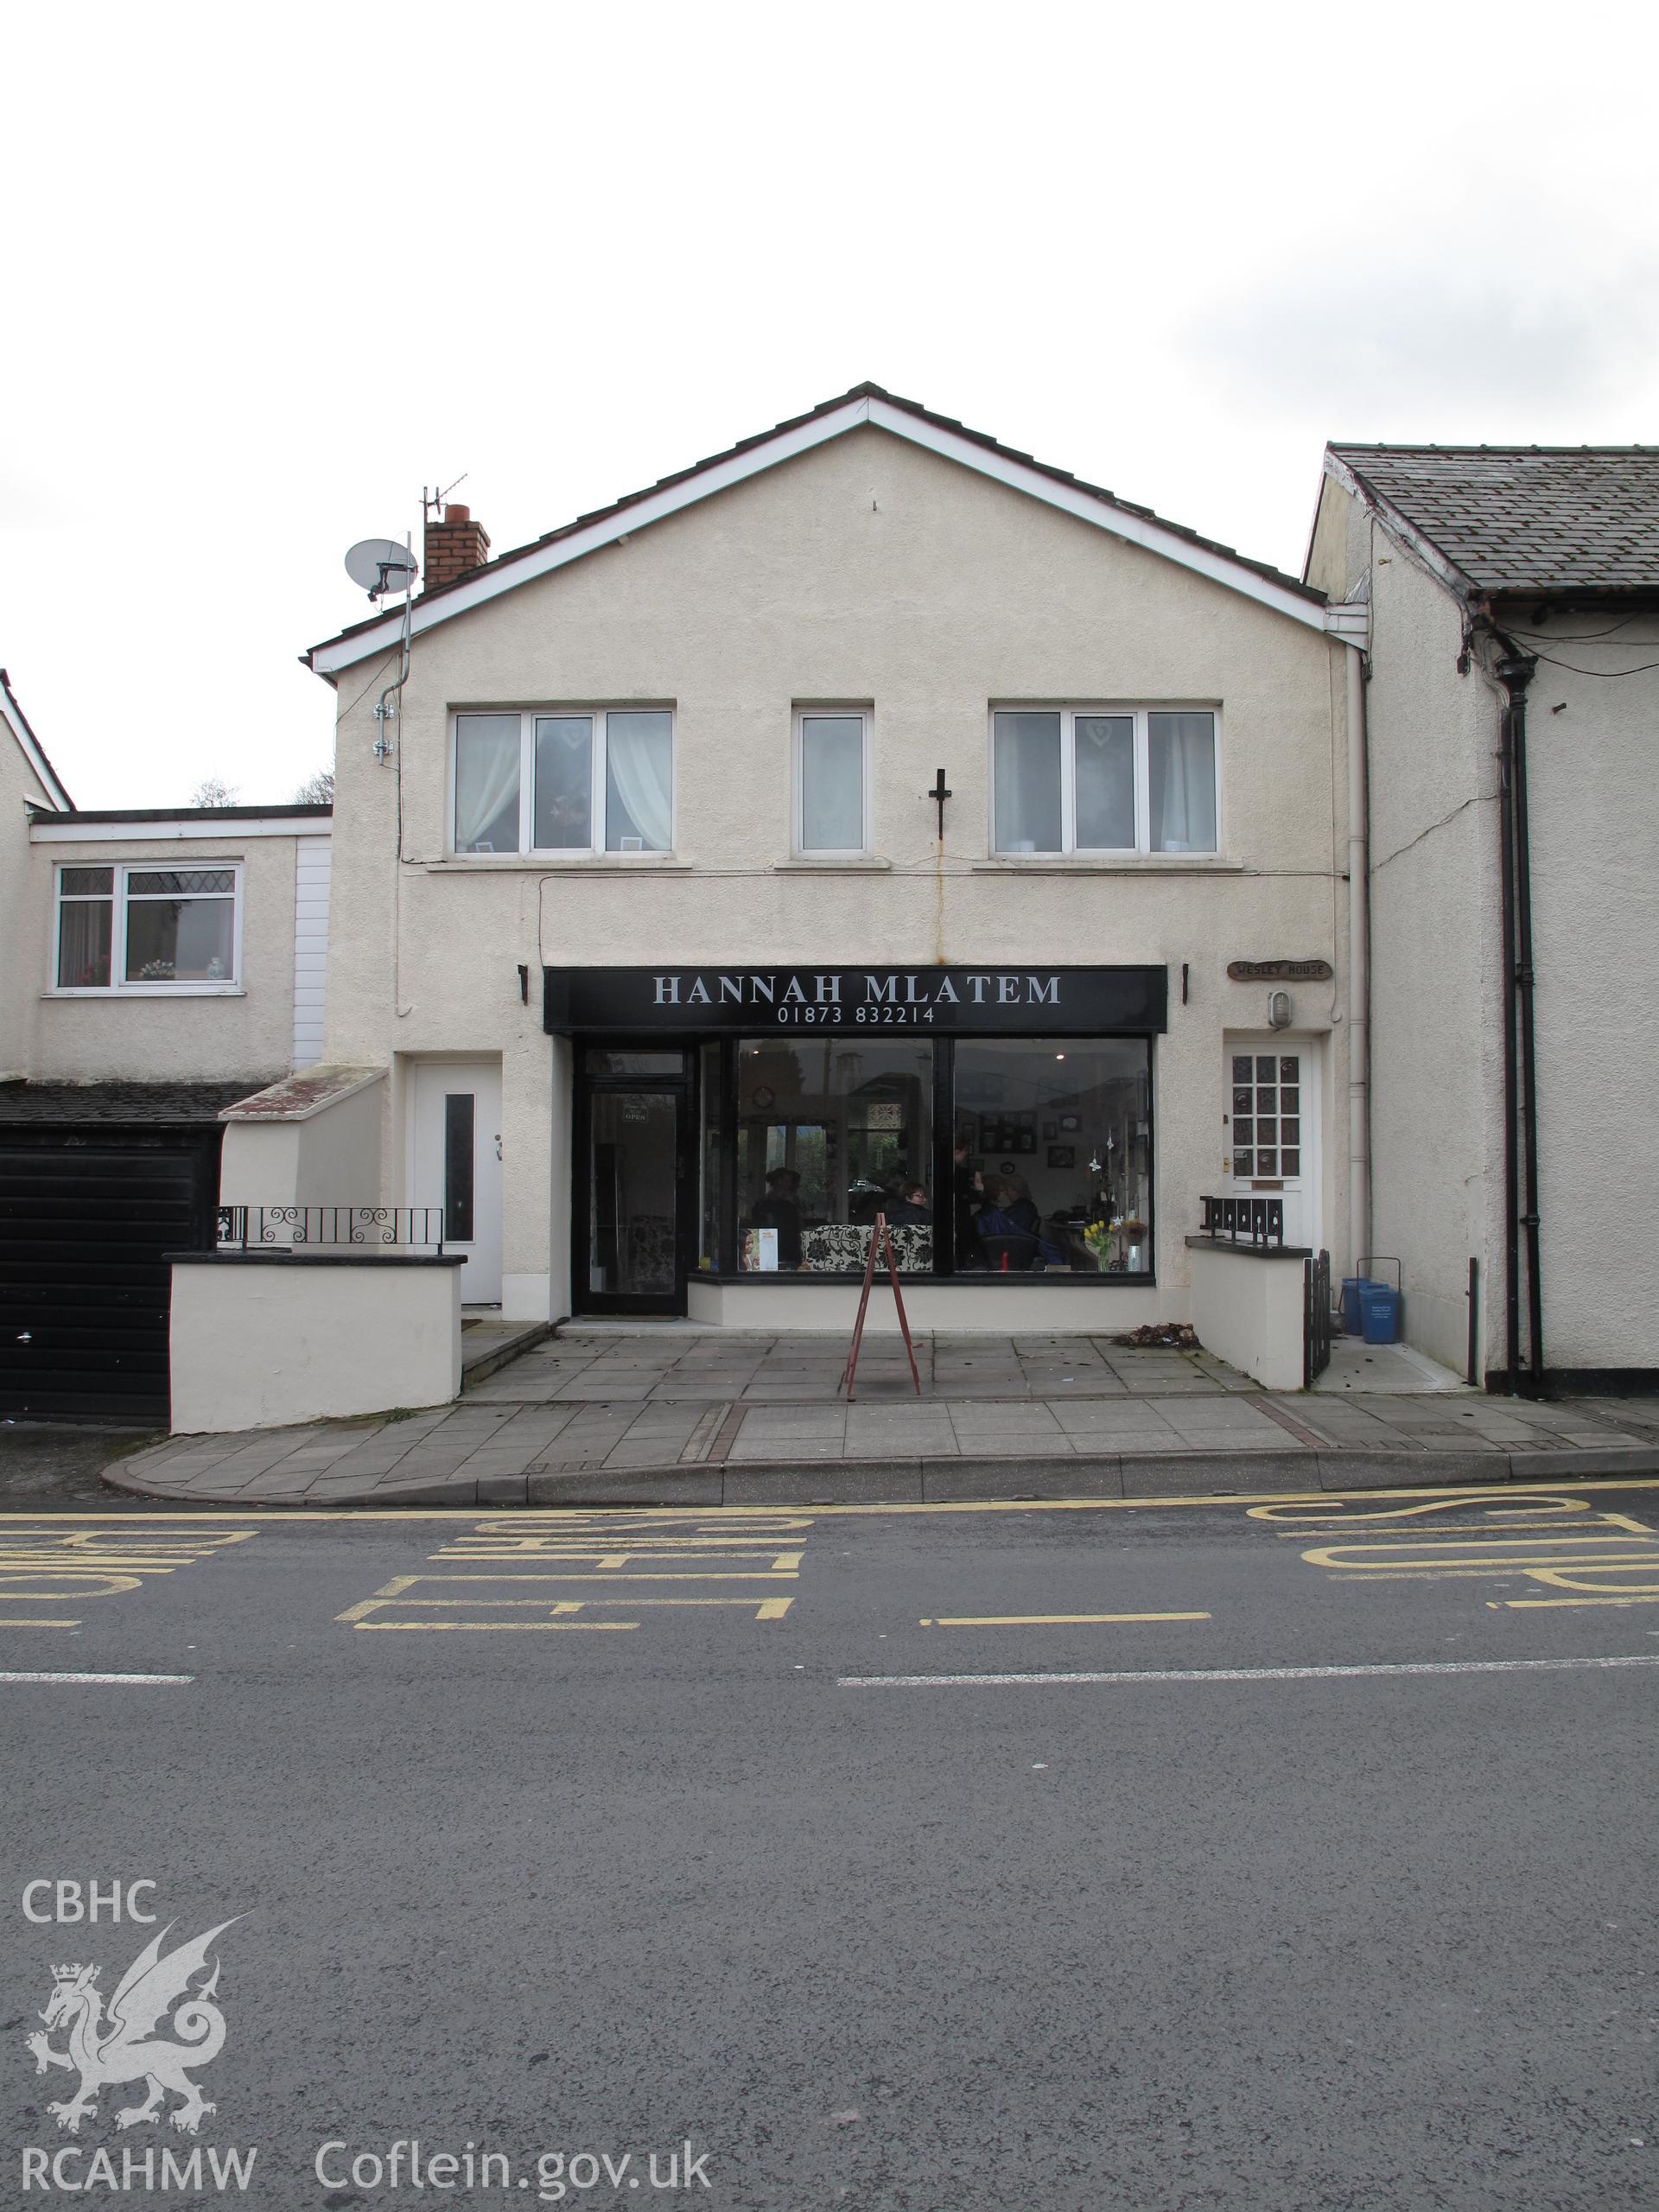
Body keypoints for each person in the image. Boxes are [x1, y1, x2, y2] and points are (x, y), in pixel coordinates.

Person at [975, 1173, 1065, 1267]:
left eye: (1006, 1190)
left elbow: (1006, 1227)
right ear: (994, 1192)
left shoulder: (1021, 1208)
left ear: (1015, 1190)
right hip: (1006, 1249)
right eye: (1002, 1190)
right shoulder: (992, 1214)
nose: (1005, 1193)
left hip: (1011, 1248)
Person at [748, 1166, 803, 1267]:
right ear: (778, 1182)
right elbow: (765, 1224)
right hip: (773, 1241)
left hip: (791, 1243)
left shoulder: (793, 1201)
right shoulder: (766, 1203)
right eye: (787, 1181)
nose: (790, 1184)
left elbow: (798, 1223)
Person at [952, 1135, 985, 1268]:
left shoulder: (940, 1170)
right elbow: (966, 1197)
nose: (965, 1156)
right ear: (957, 1151)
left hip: (950, 1214)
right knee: (962, 1248)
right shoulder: (959, 1173)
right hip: (960, 1216)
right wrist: (979, 1190)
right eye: (965, 1152)